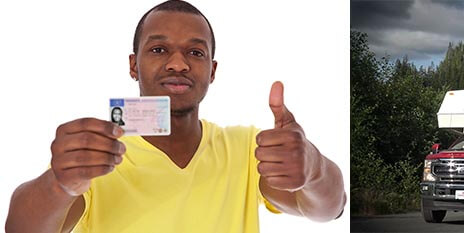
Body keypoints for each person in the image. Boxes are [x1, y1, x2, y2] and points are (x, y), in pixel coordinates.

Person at [5, 1, 346, 233]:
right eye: (159, 49)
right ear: (133, 65)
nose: (178, 64)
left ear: (212, 71)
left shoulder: (246, 148)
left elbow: (328, 210)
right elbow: (20, 228)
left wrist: (313, 168)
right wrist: (59, 184)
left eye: (195, 52)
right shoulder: (94, 156)